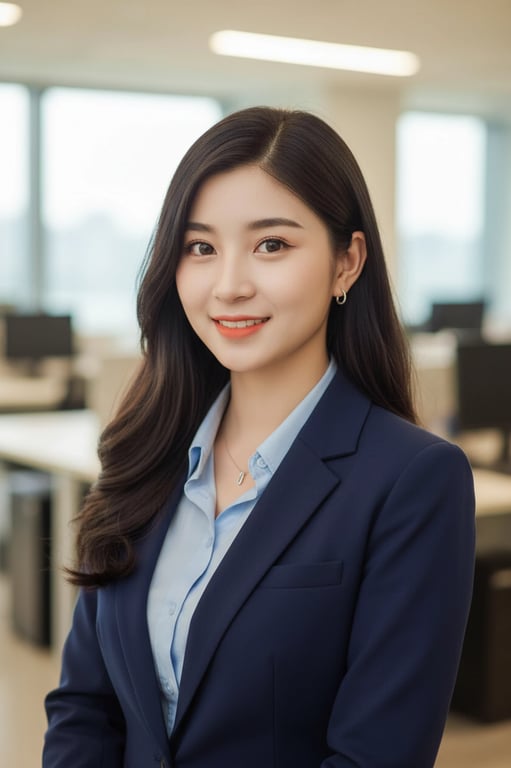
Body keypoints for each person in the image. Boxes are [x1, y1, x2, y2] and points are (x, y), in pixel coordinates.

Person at [43, 107, 475, 768]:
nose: (229, 286)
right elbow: (84, 706)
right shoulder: (144, 453)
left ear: (346, 262)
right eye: (201, 248)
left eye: (271, 245)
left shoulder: (413, 480)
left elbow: (374, 756)